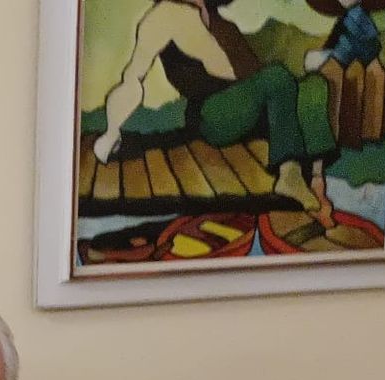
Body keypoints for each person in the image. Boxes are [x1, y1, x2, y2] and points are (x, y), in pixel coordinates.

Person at [92, 0, 338, 228]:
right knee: (276, 77)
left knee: (314, 85)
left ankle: (317, 181)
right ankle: (289, 174)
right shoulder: (164, 15)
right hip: (212, 115)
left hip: (246, 110)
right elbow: (133, 78)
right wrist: (111, 131)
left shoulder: (222, 24)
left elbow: (254, 80)